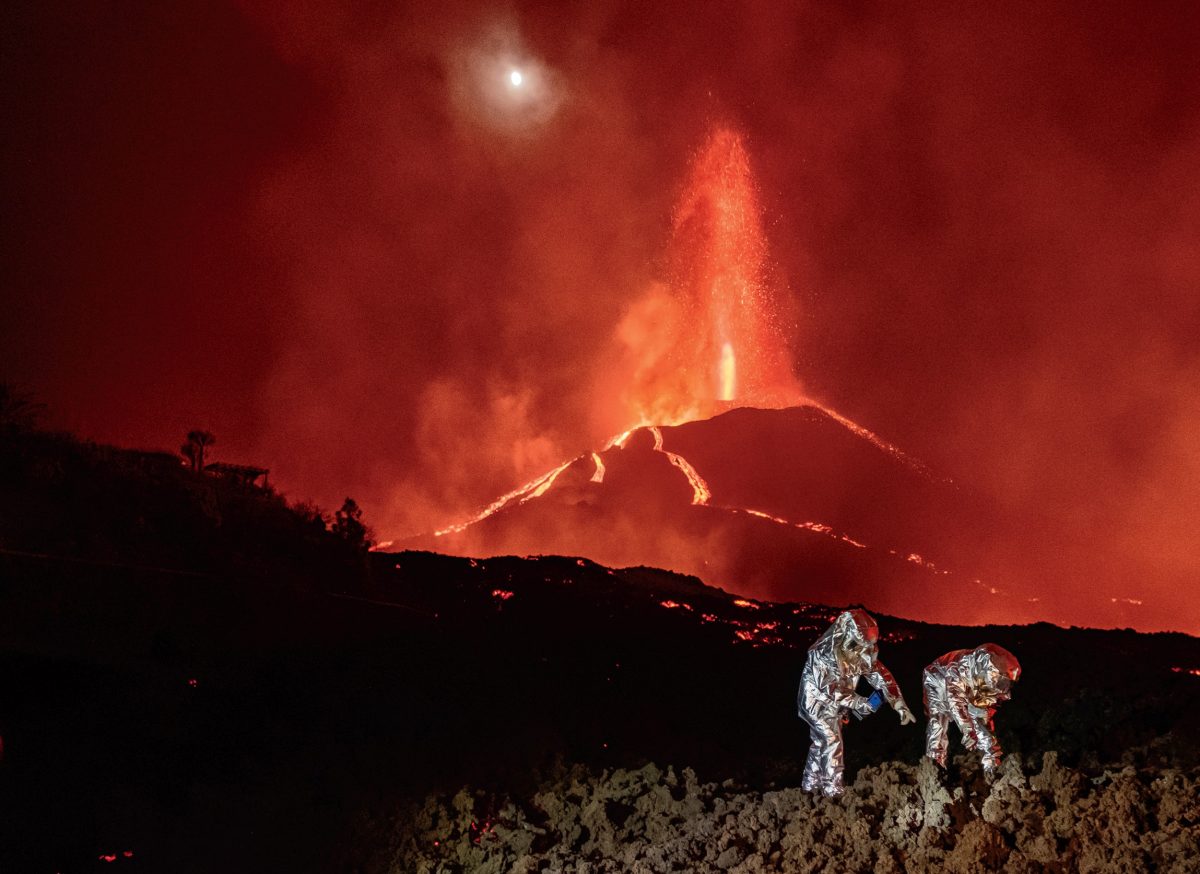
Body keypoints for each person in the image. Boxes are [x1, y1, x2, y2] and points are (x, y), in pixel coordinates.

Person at [797, 609, 916, 797]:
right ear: (844, 636)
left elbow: (881, 677)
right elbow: (831, 689)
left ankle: (809, 785)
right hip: (816, 703)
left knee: (820, 742)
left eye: (867, 646)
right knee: (831, 740)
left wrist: (898, 703)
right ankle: (832, 791)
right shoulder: (822, 654)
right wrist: (860, 703)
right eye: (857, 645)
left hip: (839, 705)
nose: (862, 652)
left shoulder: (863, 650)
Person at [922, 643, 1021, 780]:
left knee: (980, 717)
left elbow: (982, 719)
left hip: (974, 682)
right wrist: (968, 730)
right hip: (937, 677)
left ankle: (990, 764)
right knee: (938, 721)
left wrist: (991, 753)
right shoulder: (958, 668)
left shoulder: (991, 681)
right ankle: (934, 768)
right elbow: (955, 702)